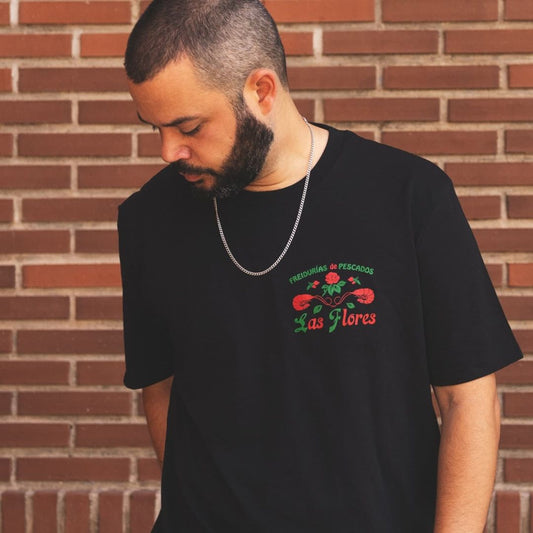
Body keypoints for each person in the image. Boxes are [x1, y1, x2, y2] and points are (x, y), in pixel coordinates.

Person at [118, 0, 523, 531]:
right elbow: (161, 387)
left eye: (188, 127)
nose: (169, 150)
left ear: (262, 91)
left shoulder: (408, 197)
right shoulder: (148, 219)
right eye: (154, 128)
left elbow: (468, 400)